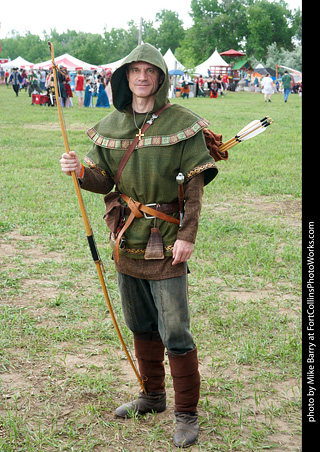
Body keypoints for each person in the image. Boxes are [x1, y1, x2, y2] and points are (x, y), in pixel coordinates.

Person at [60, 43, 218, 448]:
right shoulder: (111, 125)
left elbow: (195, 190)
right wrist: (80, 171)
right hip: (126, 240)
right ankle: (152, 395)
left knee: (176, 330)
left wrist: (187, 236)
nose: (142, 77)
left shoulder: (182, 124)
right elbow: (103, 181)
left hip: (167, 242)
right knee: (140, 323)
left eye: (150, 70)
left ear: (161, 78)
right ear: (125, 78)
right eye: (135, 71)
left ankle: (186, 413)